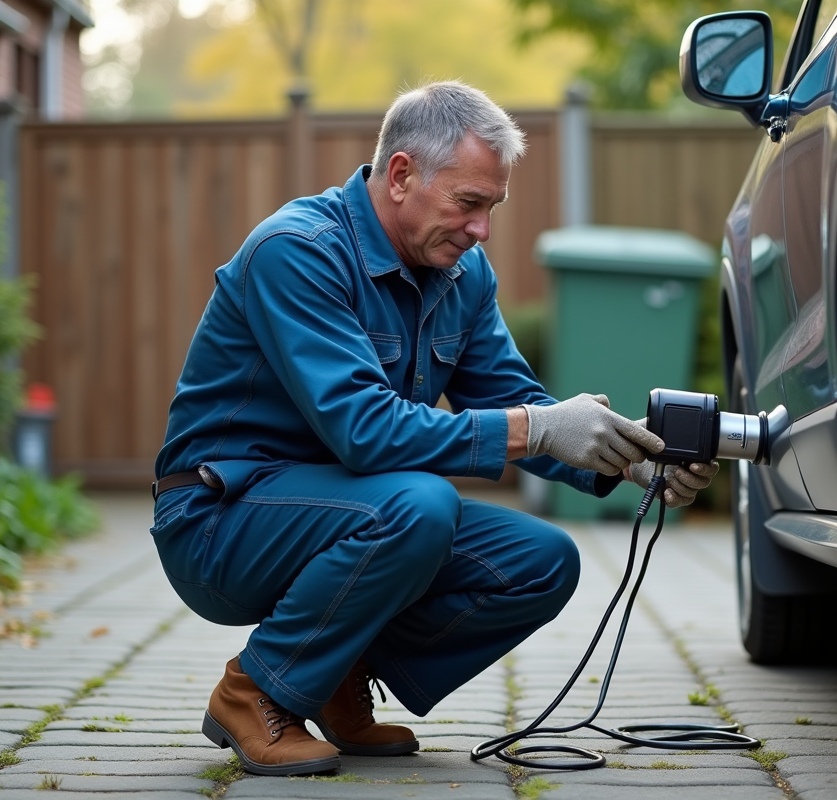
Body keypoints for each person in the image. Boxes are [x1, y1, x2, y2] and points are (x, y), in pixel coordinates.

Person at [149, 80, 718, 777]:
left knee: (542, 561)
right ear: (401, 175)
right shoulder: (297, 252)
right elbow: (366, 431)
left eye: (492, 207)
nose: (482, 229)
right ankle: (257, 689)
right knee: (421, 505)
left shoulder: (462, 275)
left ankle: (326, 672)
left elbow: (513, 397)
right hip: (221, 522)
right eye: (469, 203)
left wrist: (624, 458)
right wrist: (537, 428)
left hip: (349, 511)